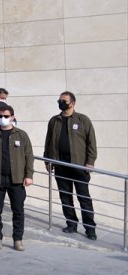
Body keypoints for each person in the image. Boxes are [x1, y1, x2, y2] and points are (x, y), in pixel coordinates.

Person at [44, 91, 98, 240]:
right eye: (59, 101)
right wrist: (47, 161)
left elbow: (91, 143)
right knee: (65, 197)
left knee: (84, 198)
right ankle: (71, 224)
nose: (61, 103)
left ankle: (90, 228)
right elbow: (48, 142)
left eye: (64, 101)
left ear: (72, 103)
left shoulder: (83, 120)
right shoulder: (54, 121)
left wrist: (90, 162)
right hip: (60, 165)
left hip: (79, 166)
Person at [0, 104, 34, 250]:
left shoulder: (21, 135)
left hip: (16, 179)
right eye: (0, 116)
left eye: (5, 116)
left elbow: (29, 156)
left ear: (12, 117)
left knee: (18, 210)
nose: (2, 118)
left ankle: (18, 240)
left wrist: (29, 175)